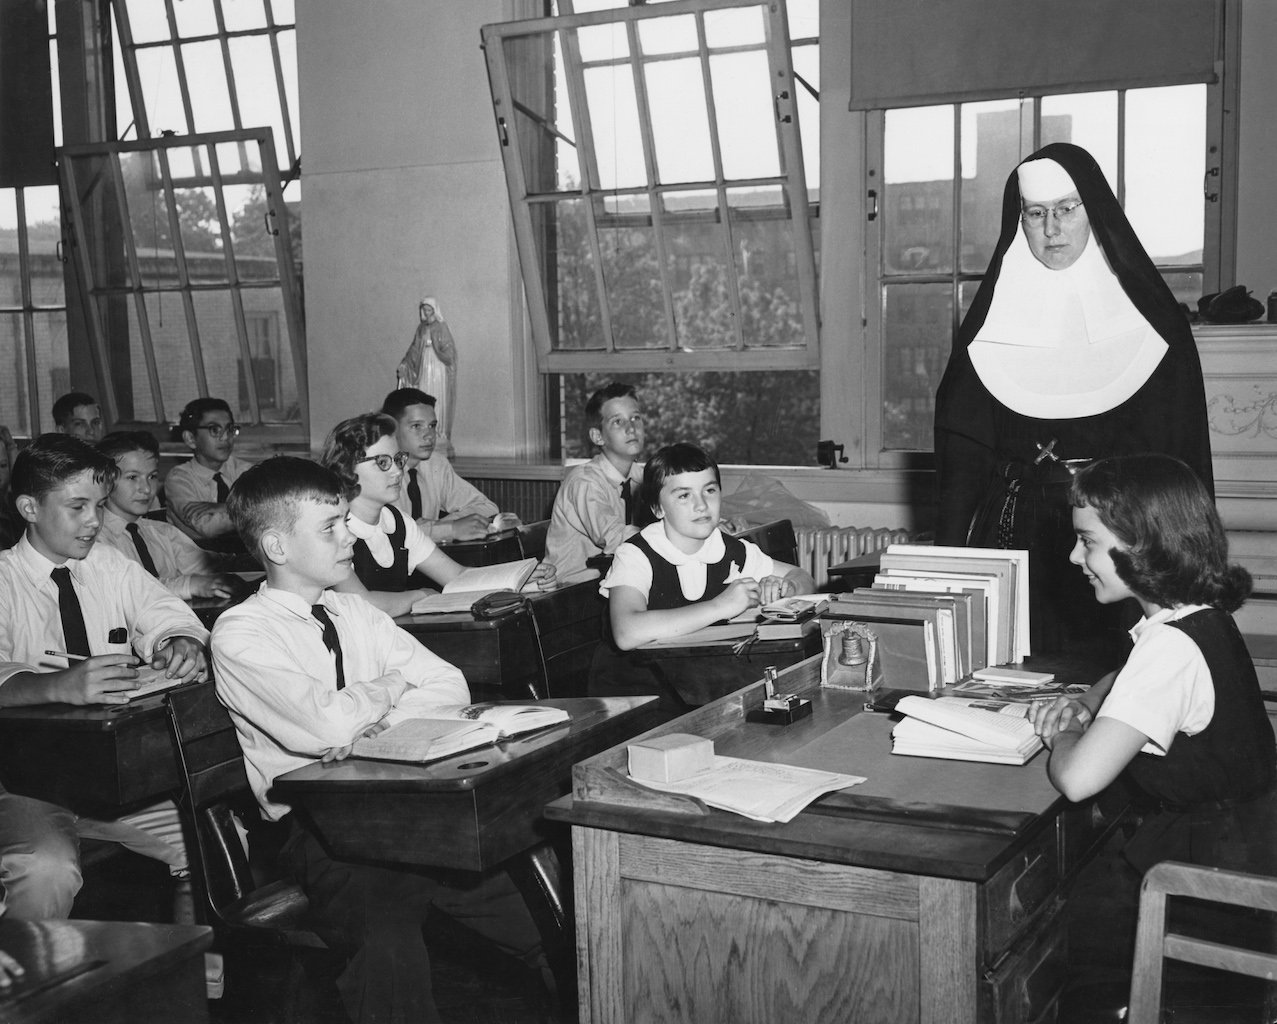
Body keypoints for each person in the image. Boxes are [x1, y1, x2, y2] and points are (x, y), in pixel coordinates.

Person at [212, 457, 550, 1024]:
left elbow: (448, 682)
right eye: (331, 528)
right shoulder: (241, 633)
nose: (349, 537)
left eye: (346, 520)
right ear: (276, 545)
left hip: (409, 807)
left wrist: (380, 725)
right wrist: (391, 687)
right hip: (319, 829)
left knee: (542, 913)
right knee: (385, 941)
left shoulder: (353, 611)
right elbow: (325, 727)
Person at [933, 143, 1214, 659]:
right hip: (1012, 538)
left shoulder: (1156, 327)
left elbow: (1179, 464)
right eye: (1037, 213)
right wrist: (950, 564)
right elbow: (963, 464)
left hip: (1118, 545)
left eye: (1067, 208)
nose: (1052, 228)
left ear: (1095, 211)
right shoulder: (988, 329)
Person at [1029, 454, 1276, 1010]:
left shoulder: (1170, 647)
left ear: (1141, 544)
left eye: (1087, 542)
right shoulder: (1198, 616)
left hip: (1204, 888)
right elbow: (1128, 675)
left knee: (1063, 949)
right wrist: (1090, 700)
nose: (1074, 556)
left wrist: (1061, 732)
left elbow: (1077, 779)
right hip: (1241, 852)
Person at [0, 435, 212, 918]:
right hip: (22, 780)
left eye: (98, 505)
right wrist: (58, 685)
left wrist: (178, 641)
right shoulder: (4, 580)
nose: (95, 521)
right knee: (45, 866)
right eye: (77, 507)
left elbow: (164, 611)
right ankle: (31, 989)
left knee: (208, 839)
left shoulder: (106, 564)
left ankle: (192, 983)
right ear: (29, 507)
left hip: (108, 778)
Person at [589, 442, 815, 719]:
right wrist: (721, 606)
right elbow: (626, 633)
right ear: (658, 509)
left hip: (698, 687)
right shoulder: (636, 554)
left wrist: (788, 588)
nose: (701, 505)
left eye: (709, 490)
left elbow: (803, 577)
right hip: (634, 698)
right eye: (684, 496)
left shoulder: (731, 549)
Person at [319, 413, 554, 618]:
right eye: (382, 462)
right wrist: (419, 595)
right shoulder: (331, 529)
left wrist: (520, 580)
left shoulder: (396, 520)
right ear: (347, 468)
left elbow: (457, 576)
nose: (397, 470)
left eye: (397, 459)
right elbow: (362, 603)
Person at [95, 431, 242, 601]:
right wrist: (189, 584)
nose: (147, 488)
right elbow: (124, 589)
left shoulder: (162, 533)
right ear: (105, 480)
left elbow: (209, 565)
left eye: (152, 476)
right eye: (133, 477)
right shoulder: (96, 539)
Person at [381, 388, 515, 542]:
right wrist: (449, 529)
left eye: (432, 425)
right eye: (417, 426)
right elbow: (388, 532)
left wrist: (443, 525)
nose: (429, 435)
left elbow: (486, 506)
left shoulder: (436, 464)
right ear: (391, 428)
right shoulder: (381, 470)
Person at [545, 382, 645, 583]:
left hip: (613, 581)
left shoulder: (640, 475)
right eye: (617, 422)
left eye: (635, 418)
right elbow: (612, 536)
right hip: (570, 592)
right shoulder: (585, 481)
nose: (631, 428)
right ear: (597, 436)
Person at [165, 398, 247, 543]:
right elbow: (209, 527)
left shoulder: (246, 471)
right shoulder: (179, 479)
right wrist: (252, 510)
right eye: (214, 430)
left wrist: (223, 507)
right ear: (190, 438)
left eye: (229, 429)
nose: (226, 437)